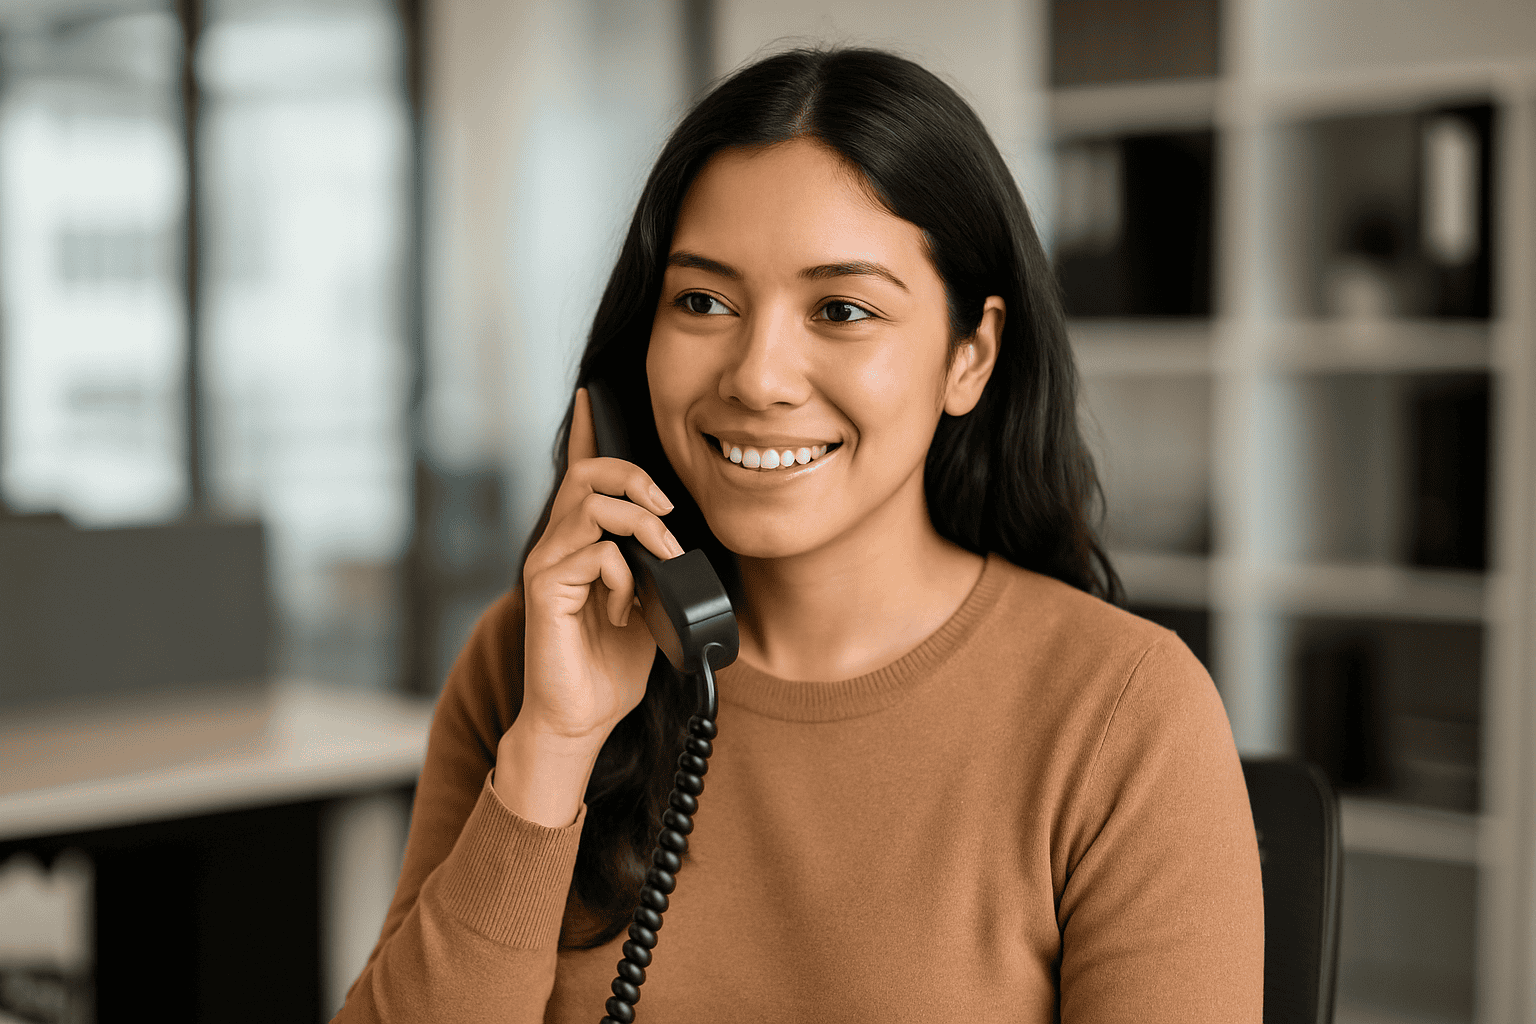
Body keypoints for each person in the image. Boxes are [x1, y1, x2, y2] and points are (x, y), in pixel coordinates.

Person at [334, 47, 1262, 1023]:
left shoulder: (1125, 715)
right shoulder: (531, 664)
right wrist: (553, 748)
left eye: (842, 309)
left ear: (970, 356)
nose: (758, 375)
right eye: (703, 301)